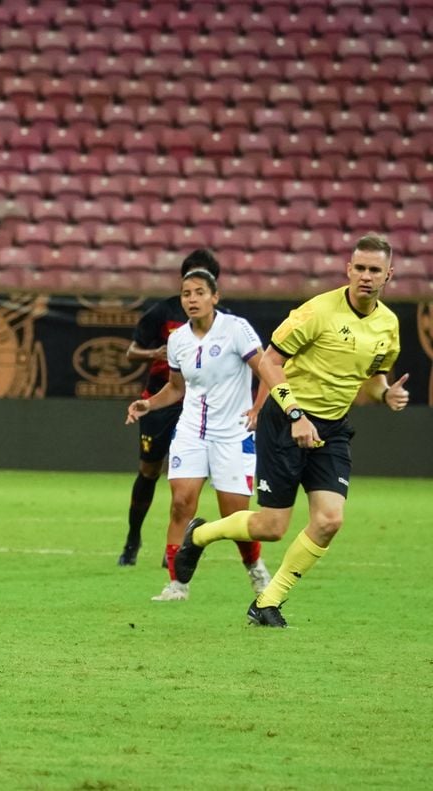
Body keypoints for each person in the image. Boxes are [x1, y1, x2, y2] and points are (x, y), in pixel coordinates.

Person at [173, 233, 408, 627]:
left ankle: (268, 602)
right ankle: (199, 535)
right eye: (360, 268)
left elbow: (372, 378)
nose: (366, 276)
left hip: (331, 429)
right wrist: (296, 413)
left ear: (389, 275)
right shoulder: (317, 311)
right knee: (271, 527)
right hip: (286, 421)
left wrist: (385, 395)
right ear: (348, 269)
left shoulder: (388, 325)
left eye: (375, 270)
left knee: (330, 520)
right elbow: (270, 360)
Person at [125, 267, 271, 601]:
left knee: (235, 517)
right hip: (192, 431)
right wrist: (149, 405)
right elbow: (176, 388)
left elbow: (266, 369)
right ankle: (177, 585)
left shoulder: (236, 330)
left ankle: (255, 568)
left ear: (214, 297)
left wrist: (257, 409)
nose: (192, 299)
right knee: (180, 503)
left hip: (233, 433)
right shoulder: (177, 340)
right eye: (186, 293)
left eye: (199, 292)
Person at [118, 249, 221, 567]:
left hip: (197, 405)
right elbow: (131, 352)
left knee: (188, 477)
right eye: (190, 280)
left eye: (204, 281)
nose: (195, 289)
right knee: (149, 471)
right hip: (161, 401)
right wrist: (156, 354)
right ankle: (133, 538)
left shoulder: (224, 322)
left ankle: (173, 548)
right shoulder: (162, 313)